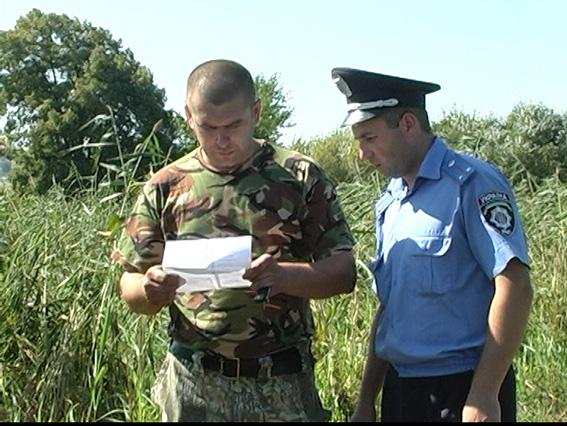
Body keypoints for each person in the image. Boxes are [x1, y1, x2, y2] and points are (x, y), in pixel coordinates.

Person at [111, 59, 356, 422]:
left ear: (255, 112)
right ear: (188, 117)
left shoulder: (298, 176)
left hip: (281, 382)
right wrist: (149, 290)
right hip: (193, 384)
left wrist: (284, 276)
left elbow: (344, 273)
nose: (222, 140)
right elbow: (129, 282)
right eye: (208, 127)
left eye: (233, 125)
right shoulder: (165, 186)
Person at [331, 67, 533, 422]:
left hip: (461, 388)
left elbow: (515, 286)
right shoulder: (391, 202)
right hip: (401, 390)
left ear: (408, 124)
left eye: (369, 138)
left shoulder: (471, 184)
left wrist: (484, 394)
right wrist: (366, 401)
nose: (362, 154)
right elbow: (388, 308)